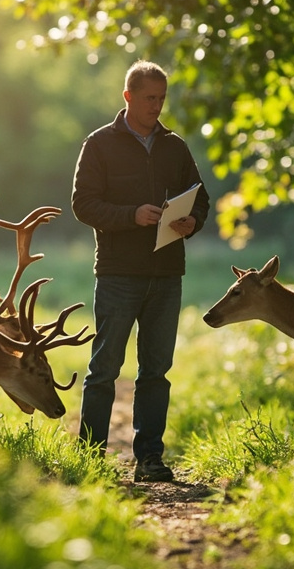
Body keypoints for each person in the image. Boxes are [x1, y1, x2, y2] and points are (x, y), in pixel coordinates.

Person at [71, 59, 211, 482]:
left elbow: (200, 199)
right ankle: (90, 458)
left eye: (162, 98)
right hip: (117, 274)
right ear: (128, 96)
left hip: (167, 274)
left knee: (156, 371)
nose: (157, 106)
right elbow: (83, 205)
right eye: (150, 98)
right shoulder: (98, 145)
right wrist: (132, 215)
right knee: (104, 369)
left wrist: (193, 222)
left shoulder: (175, 146)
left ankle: (149, 459)